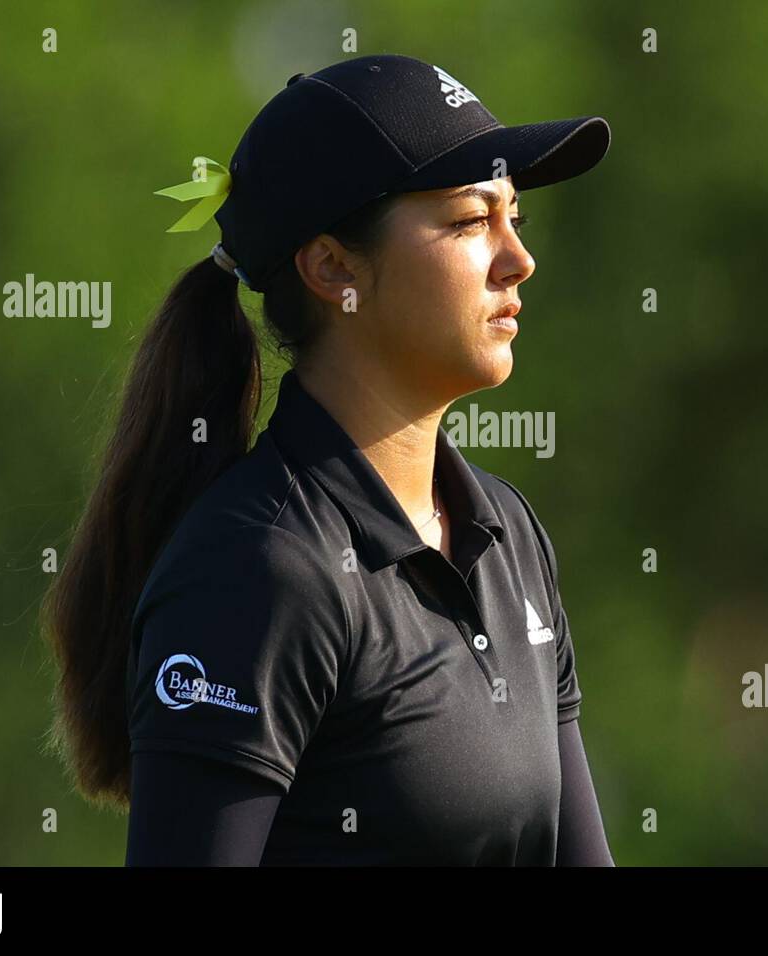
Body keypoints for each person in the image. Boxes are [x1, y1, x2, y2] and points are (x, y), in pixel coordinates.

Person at [42, 53, 614, 865]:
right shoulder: (257, 567)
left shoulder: (507, 534)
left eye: (512, 215)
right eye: (467, 220)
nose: (516, 257)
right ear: (334, 269)